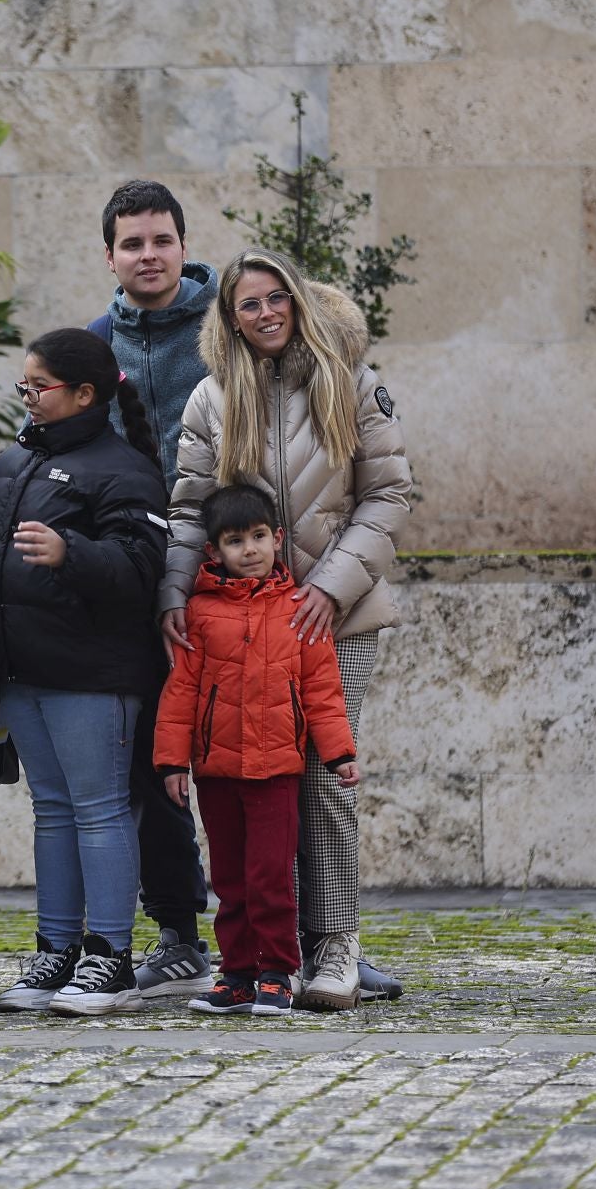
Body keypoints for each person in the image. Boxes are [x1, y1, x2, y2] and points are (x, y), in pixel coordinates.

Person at [162, 247, 413, 1011]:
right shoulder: (211, 399)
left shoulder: (353, 385)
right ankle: (273, 955)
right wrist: (175, 595)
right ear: (230, 317)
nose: (265, 314)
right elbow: (188, 507)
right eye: (249, 304)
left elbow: (390, 493)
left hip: (334, 618)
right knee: (249, 786)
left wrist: (331, 589)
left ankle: (335, 945)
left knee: (319, 780)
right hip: (238, 625)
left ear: (297, 301)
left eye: (276, 298)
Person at [0, 328, 168, 1017]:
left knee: (100, 809)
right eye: (22, 386)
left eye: (38, 386)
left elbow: (143, 569)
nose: (26, 397)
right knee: (52, 812)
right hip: (23, 672)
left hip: (94, 676)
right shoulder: (11, 465)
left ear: (85, 394)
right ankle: (56, 952)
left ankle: (109, 957)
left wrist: (71, 553)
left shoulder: (124, 470)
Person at [153, 484, 358, 1018]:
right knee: (230, 879)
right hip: (216, 772)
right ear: (214, 552)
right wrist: (173, 762)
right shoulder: (199, 614)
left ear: (278, 538)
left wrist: (339, 754)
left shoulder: (299, 611)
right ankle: (237, 975)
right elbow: (180, 693)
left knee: (270, 875)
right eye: (236, 540)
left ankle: (277, 972)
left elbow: (322, 692)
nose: (250, 549)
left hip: (275, 772)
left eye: (260, 537)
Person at [87, 179, 217, 1000]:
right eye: (131, 244)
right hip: (136, 585)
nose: (148, 255)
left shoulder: (227, 331)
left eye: (160, 240)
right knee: (153, 760)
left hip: (233, 574)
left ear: (182, 245)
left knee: (265, 758)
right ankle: (177, 929)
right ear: (110, 256)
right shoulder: (93, 347)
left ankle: (305, 931)